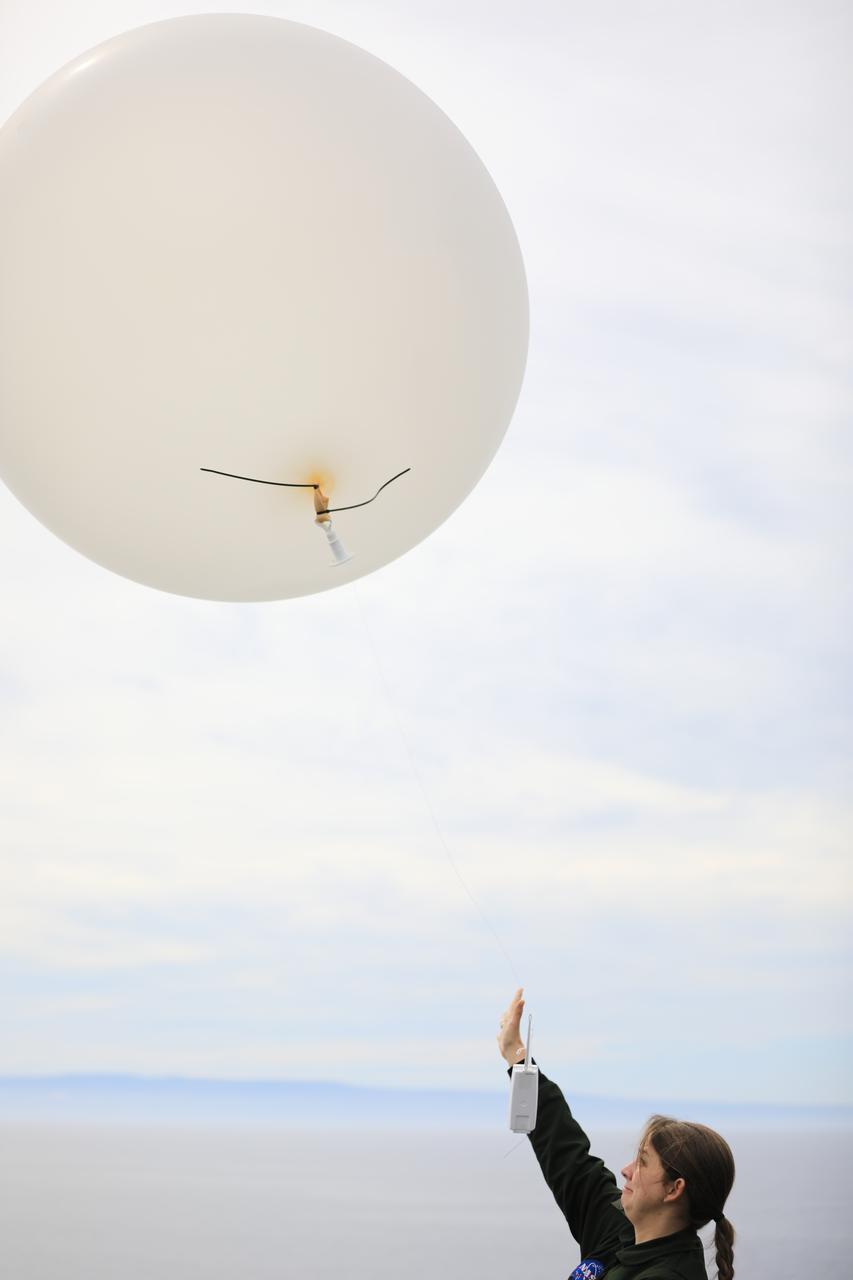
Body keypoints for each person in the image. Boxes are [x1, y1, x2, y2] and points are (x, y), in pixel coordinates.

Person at [497, 989, 735, 1280]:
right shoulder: (621, 1228)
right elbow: (567, 1157)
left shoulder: (668, 1275)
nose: (626, 1170)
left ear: (674, 1188)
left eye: (643, 1162)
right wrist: (517, 1056)